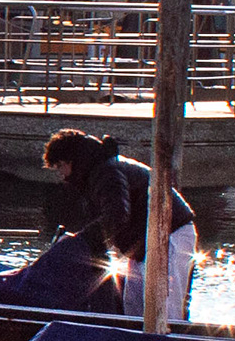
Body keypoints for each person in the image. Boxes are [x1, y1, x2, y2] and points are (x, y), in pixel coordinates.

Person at [40, 128, 196, 321]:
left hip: (170, 234)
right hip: (141, 245)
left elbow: (116, 214)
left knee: (163, 307)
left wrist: (83, 240)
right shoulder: (96, 174)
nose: (62, 175)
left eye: (60, 167)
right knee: (134, 306)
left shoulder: (107, 172)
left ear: (71, 161)